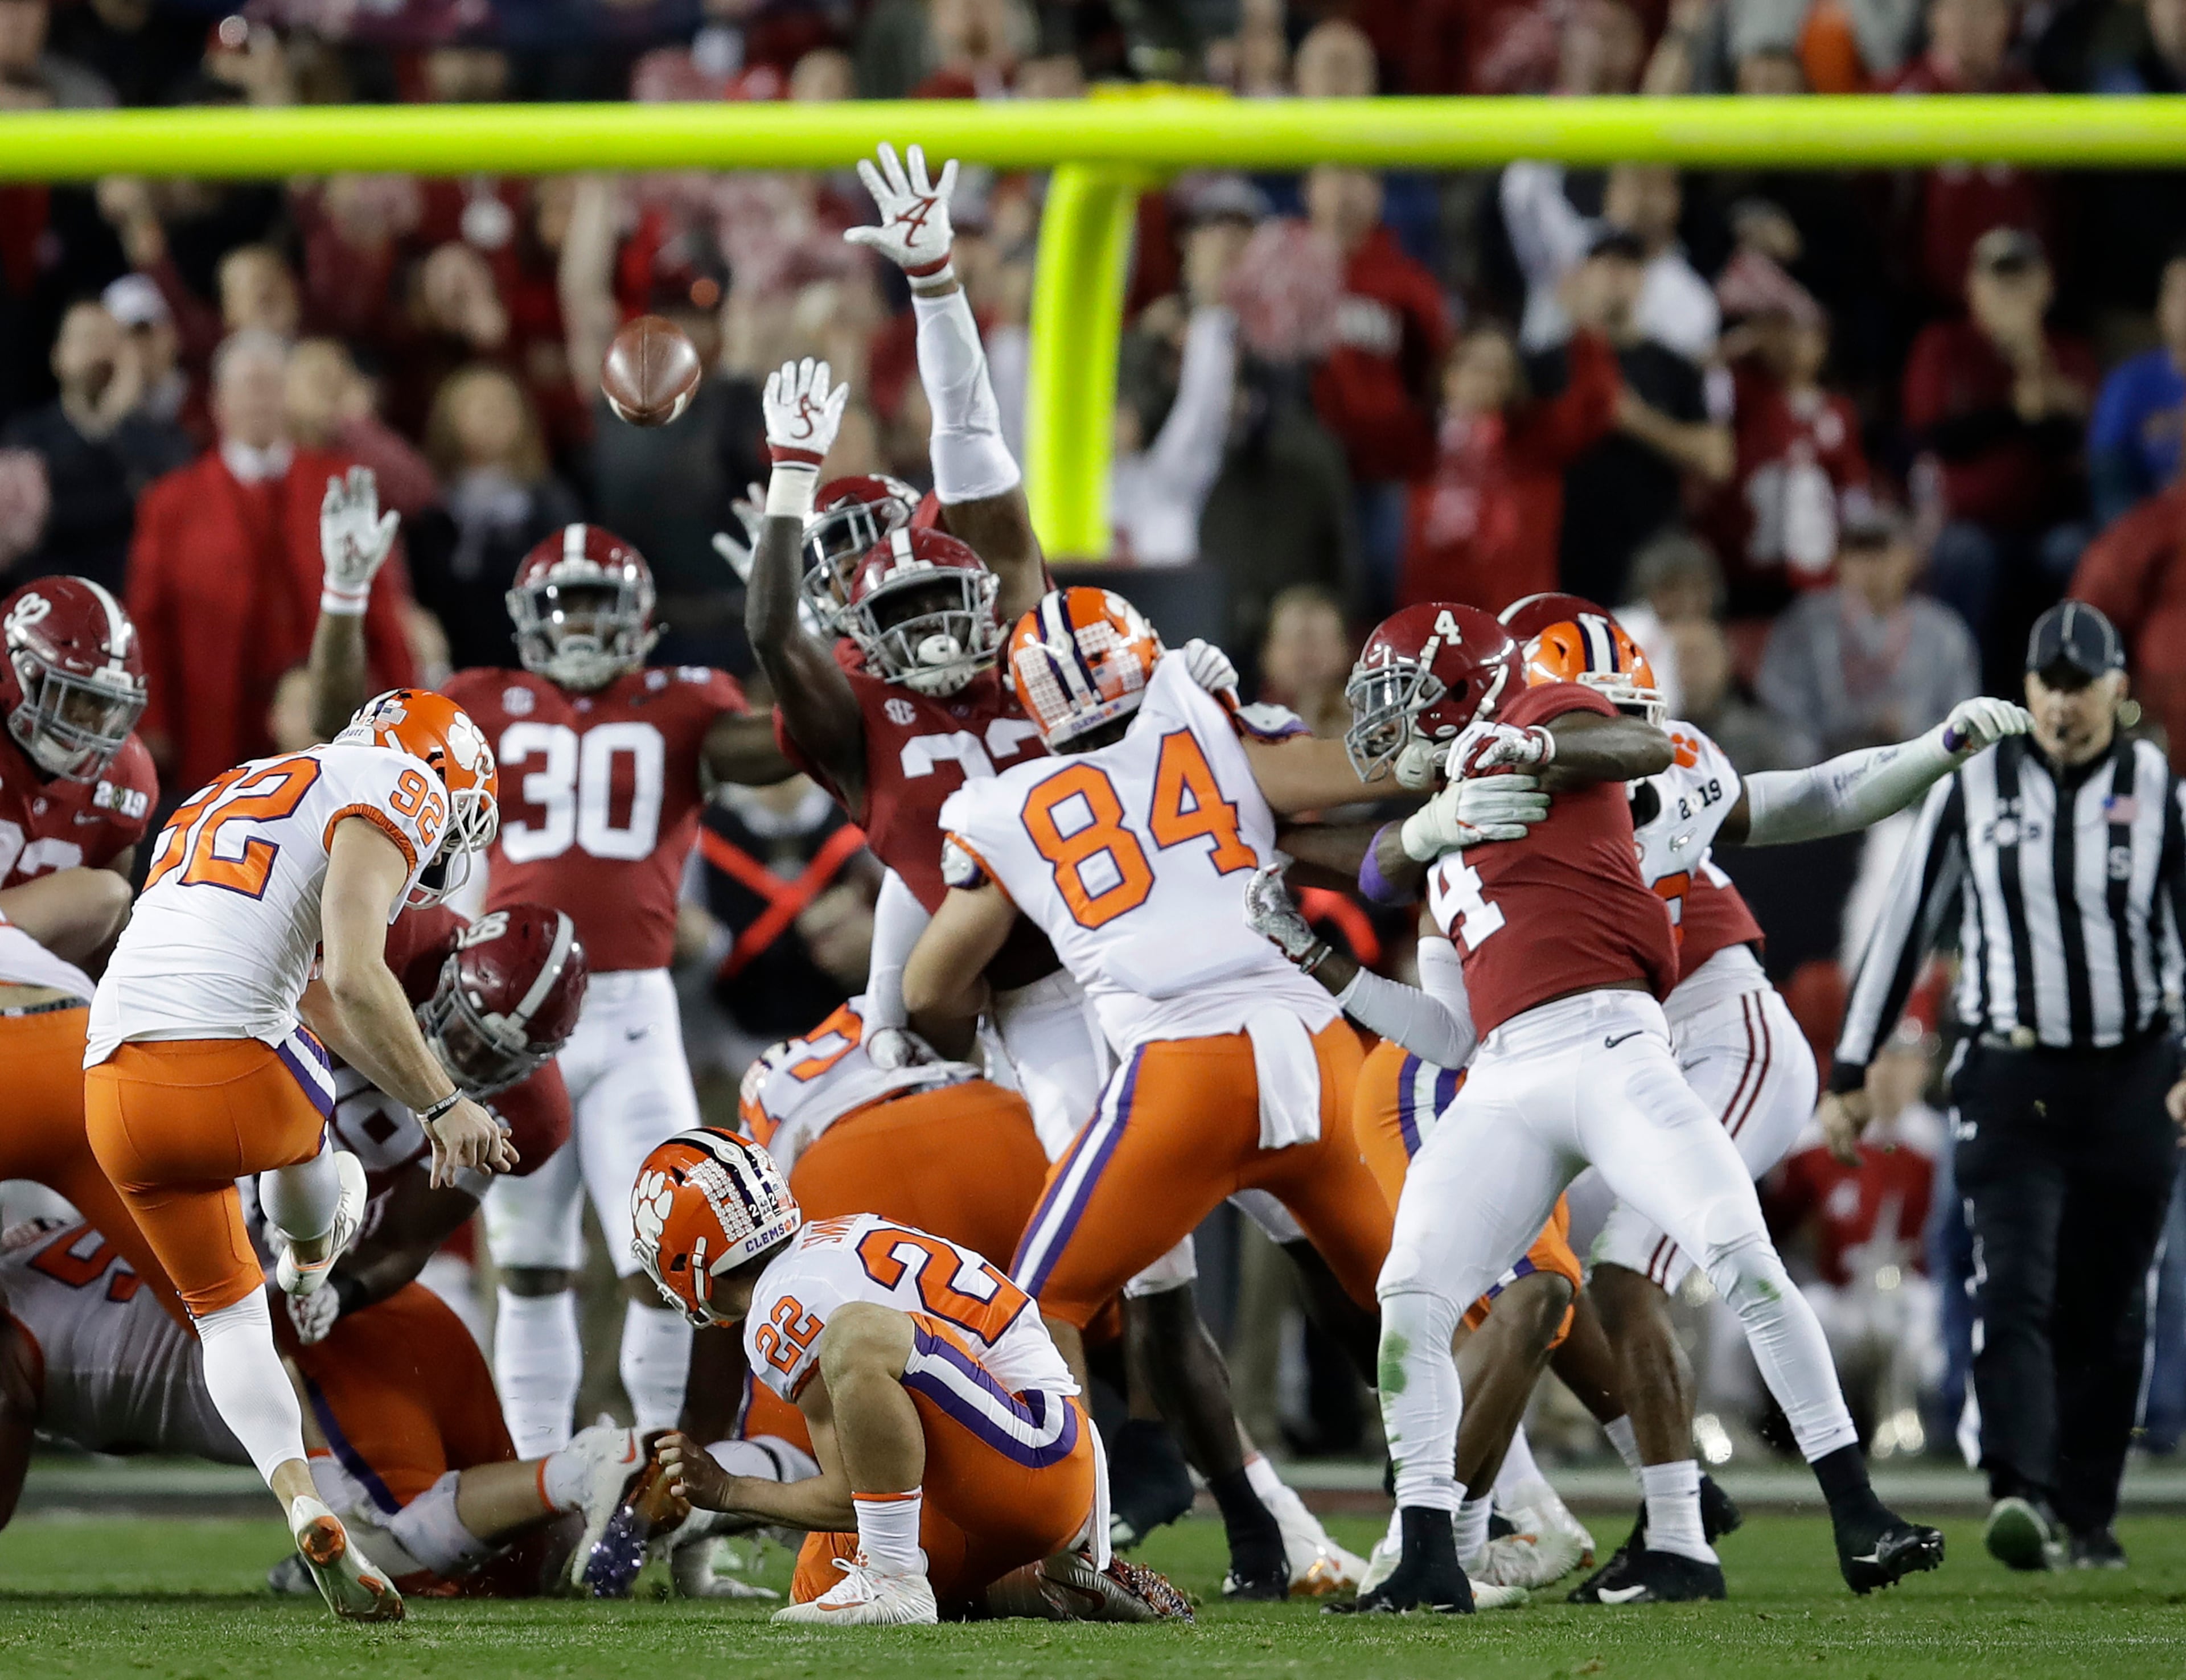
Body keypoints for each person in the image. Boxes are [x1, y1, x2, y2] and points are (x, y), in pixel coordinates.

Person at [750, 145, 1356, 1599]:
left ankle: (1431, 1491)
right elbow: (778, 644)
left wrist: (936, 284)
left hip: (1150, 965)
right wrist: (784, 488)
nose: (936, 625)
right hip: (1047, 1006)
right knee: (1129, 1289)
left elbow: (976, 453)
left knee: (1307, 1227)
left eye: (946, 589)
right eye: (898, 605)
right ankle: (1163, 1527)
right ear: (858, 629)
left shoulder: (1043, 654)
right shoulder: (853, 712)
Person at [1344, 607, 1943, 1611]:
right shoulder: (1450, 827)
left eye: (1399, 700)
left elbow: (1640, 747)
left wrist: (1529, 747)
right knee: (1411, 1293)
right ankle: (1430, 1552)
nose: (1384, 726)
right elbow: (1396, 916)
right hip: (1505, 1074)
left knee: (1736, 1253)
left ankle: (1855, 1505)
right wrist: (1416, 840)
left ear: (1457, 691)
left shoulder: (1547, 716)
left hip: (1618, 1042)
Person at [899, 586, 1398, 1426]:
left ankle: (1066, 1501)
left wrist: (965, 1030)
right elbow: (1347, 776)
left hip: (1183, 1070)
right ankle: (1471, 1491)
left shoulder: (1005, 802)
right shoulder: (1208, 723)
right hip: (1317, 1043)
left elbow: (927, 987)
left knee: (1039, 1306)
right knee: (1416, 1300)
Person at [81, 686, 510, 1621]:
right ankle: (309, 1258)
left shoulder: (232, 783)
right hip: (238, 1077)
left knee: (228, 1319)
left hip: (112, 1088)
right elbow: (354, 976)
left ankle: (301, 1499)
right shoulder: (398, 780)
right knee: (326, 1153)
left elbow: (305, 985)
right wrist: (442, 1103)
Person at [1824, 600, 2186, 1573]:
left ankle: (2089, 1511)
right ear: (2026, 689)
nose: (2063, 705)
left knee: (2113, 1304)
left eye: (2081, 686)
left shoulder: (2159, 788)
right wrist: (1852, 1068)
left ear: (2117, 687)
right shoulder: (1973, 783)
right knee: (2013, 1283)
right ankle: (2020, 1489)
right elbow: (1905, 923)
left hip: (2131, 1073)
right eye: (2048, 685)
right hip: (2010, 1073)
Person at [0, 1214, 780, 1601]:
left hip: (331, 1352)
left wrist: (324, 1491)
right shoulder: (39, 1231)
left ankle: (597, 1464)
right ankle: (698, 1510)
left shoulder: (18, 1313)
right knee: (528, 1562)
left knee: (387, 1554)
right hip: (397, 1314)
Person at [629, 1130, 1190, 1626]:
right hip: (1032, 1454)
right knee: (819, 1578)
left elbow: (848, 1497)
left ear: (687, 1260)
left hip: (1037, 1458)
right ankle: (1051, 1584)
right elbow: (868, 1493)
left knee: (856, 1336)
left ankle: (893, 1579)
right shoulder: (828, 1242)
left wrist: (730, 1490)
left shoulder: (784, 1304)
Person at [277, 902, 584, 1350]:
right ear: (448, 976)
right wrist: (435, 1099)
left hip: (345, 1232)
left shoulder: (532, 1114)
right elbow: (304, 997)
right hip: (256, 1142)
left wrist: (340, 1291)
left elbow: (405, 1240)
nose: (467, 1057)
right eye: (465, 1028)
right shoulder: (404, 938)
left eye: (495, 1056)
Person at [125, 330, 414, 792]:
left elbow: (379, 603)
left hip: (325, 717)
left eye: (270, 386)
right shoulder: (171, 501)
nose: (259, 401)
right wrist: (152, 721)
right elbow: (148, 619)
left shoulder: (339, 483)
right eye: (247, 387)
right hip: (215, 717)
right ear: (218, 403)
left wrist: (408, 700)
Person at [0, 576, 175, 1317]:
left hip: (25, 997)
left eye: (104, 704)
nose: (91, 725)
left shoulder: (124, 778)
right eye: (73, 699)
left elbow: (110, 933)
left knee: (107, 896)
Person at [1903, 229, 2096, 663]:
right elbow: (1938, 437)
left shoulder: (2068, 353)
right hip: (1965, 522)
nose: (2010, 293)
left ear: (2046, 286)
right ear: (1973, 287)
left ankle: (2070, 684)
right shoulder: (1943, 345)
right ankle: (1961, 687)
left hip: (2050, 524)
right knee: (1967, 553)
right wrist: (2018, 411)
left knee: (2079, 552)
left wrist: (2033, 361)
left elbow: (2077, 449)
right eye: (1998, 279)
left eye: (2021, 279)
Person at [1398, 317, 1620, 615]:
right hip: (1426, 617)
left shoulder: (1535, 442)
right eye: (1474, 364)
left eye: (1498, 371)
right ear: (1445, 372)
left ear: (1514, 384)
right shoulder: (1414, 442)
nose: (1484, 379)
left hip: (1512, 619)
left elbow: (1596, 404)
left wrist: (1588, 334)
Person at [1758, 506, 1982, 766]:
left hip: (1919, 770)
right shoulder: (1805, 624)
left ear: (1911, 558)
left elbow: (1963, 722)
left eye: (1883, 550)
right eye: (1858, 551)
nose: (1871, 565)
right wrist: (1817, 776)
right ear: (1839, 560)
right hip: (1826, 771)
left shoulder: (1943, 632)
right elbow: (1781, 713)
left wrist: (1913, 731)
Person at [1, 299, 192, 593]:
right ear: (58, 356)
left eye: (110, 340)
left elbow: (178, 503)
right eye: (86, 339)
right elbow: (33, 529)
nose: (98, 352)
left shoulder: (159, 436)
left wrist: (119, 422)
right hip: (51, 599)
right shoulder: (27, 436)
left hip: (134, 598)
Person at [2086, 250, 2186, 528]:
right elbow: (2108, 480)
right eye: (2179, 294)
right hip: (2149, 531)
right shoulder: (2128, 384)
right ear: (2161, 307)